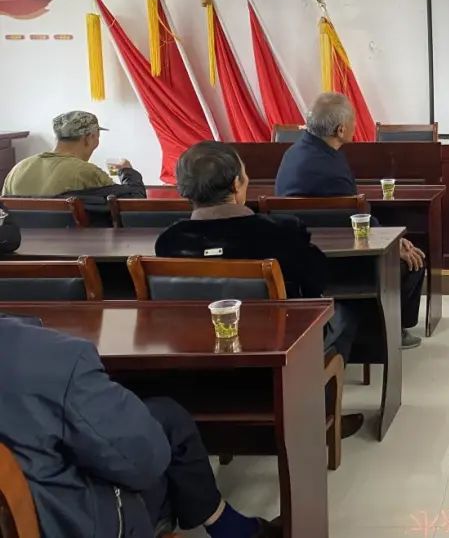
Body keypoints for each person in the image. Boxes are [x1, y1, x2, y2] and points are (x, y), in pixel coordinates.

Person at [0, 313, 279, 538]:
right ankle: (230, 526)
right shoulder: (51, 357)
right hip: (79, 526)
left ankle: (223, 521)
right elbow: (146, 464)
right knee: (168, 424)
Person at [156, 141, 363, 436]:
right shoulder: (282, 231)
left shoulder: (169, 242)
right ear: (236, 183)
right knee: (344, 314)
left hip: (198, 356)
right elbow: (317, 281)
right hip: (277, 353)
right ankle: (319, 419)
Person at [275, 92, 426, 349]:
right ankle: (390, 331)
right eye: (354, 120)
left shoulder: (295, 152)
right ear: (341, 129)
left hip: (300, 255)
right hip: (338, 261)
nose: (357, 124)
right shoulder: (329, 168)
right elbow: (353, 218)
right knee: (413, 261)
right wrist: (393, 244)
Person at [1, 111, 145, 222]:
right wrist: (127, 171)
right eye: (97, 136)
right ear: (89, 138)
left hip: (23, 247)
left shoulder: (18, 169)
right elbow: (132, 204)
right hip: (75, 249)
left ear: (57, 137)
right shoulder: (86, 172)